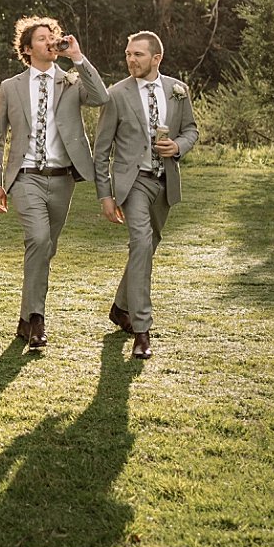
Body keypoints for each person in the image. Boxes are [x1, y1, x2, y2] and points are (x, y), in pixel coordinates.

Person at [0, 16, 109, 351]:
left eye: (52, 36)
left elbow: (100, 98)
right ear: (27, 49)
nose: (51, 41)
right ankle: (38, 320)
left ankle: (25, 319)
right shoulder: (11, 87)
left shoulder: (71, 80)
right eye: (42, 38)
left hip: (63, 178)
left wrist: (79, 58)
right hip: (25, 177)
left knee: (45, 248)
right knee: (38, 239)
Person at [93, 28, 198, 361]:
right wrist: (105, 196)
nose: (130, 59)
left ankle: (120, 307)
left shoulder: (178, 90)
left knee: (148, 246)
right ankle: (142, 330)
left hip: (165, 181)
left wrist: (177, 146)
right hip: (132, 182)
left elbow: (192, 129)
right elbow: (101, 150)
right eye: (128, 54)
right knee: (140, 243)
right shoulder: (116, 94)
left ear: (156, 58)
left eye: (137, 54)